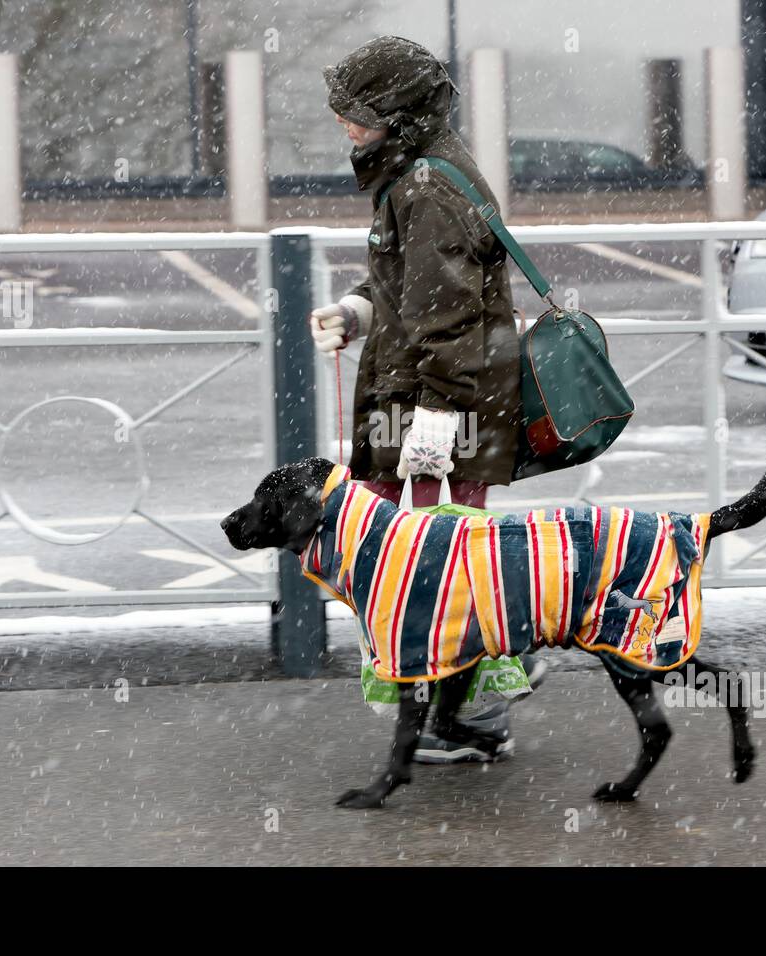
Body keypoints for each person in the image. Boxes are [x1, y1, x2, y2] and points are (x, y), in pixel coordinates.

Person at [311, 35, 543, 761]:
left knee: (436, 566)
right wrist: (356, 312)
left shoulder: (425, 187)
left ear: (400, 115)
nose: (346, 125)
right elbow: (410, 290)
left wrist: (439, 419)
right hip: (422, 397)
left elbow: (448, 316)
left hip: (434, 406)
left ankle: (475, 712)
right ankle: (488, 677)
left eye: (358, 112)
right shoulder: (413, 172)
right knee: (433, 561)